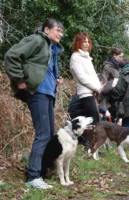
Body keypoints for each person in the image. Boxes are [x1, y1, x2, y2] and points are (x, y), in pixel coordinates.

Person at [5, 18, 64, 189]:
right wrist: (20, 80)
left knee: (49, 133)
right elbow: (11, 55)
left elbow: (41, 68)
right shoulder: (37, 40)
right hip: (38, 92)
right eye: (57, 30)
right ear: (46, 30)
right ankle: (33, 177)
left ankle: (42, 171)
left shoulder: (51, 48)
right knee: (43, 134)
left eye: (62, 31)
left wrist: (56, 79)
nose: (60, 34)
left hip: (47, 93)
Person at [70, 32, 103, 148]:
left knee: (92, 120)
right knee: (94, 121)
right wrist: (97, 87)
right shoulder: (75, 57)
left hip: (92, 92)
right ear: (78, 43)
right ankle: (90, 146)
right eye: (84, 41)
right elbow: (82, 78)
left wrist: (98, 86)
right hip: (85, 93)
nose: (86, 43)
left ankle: (90, 145)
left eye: (88, 41)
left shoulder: (86, 57)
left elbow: (92, 75)